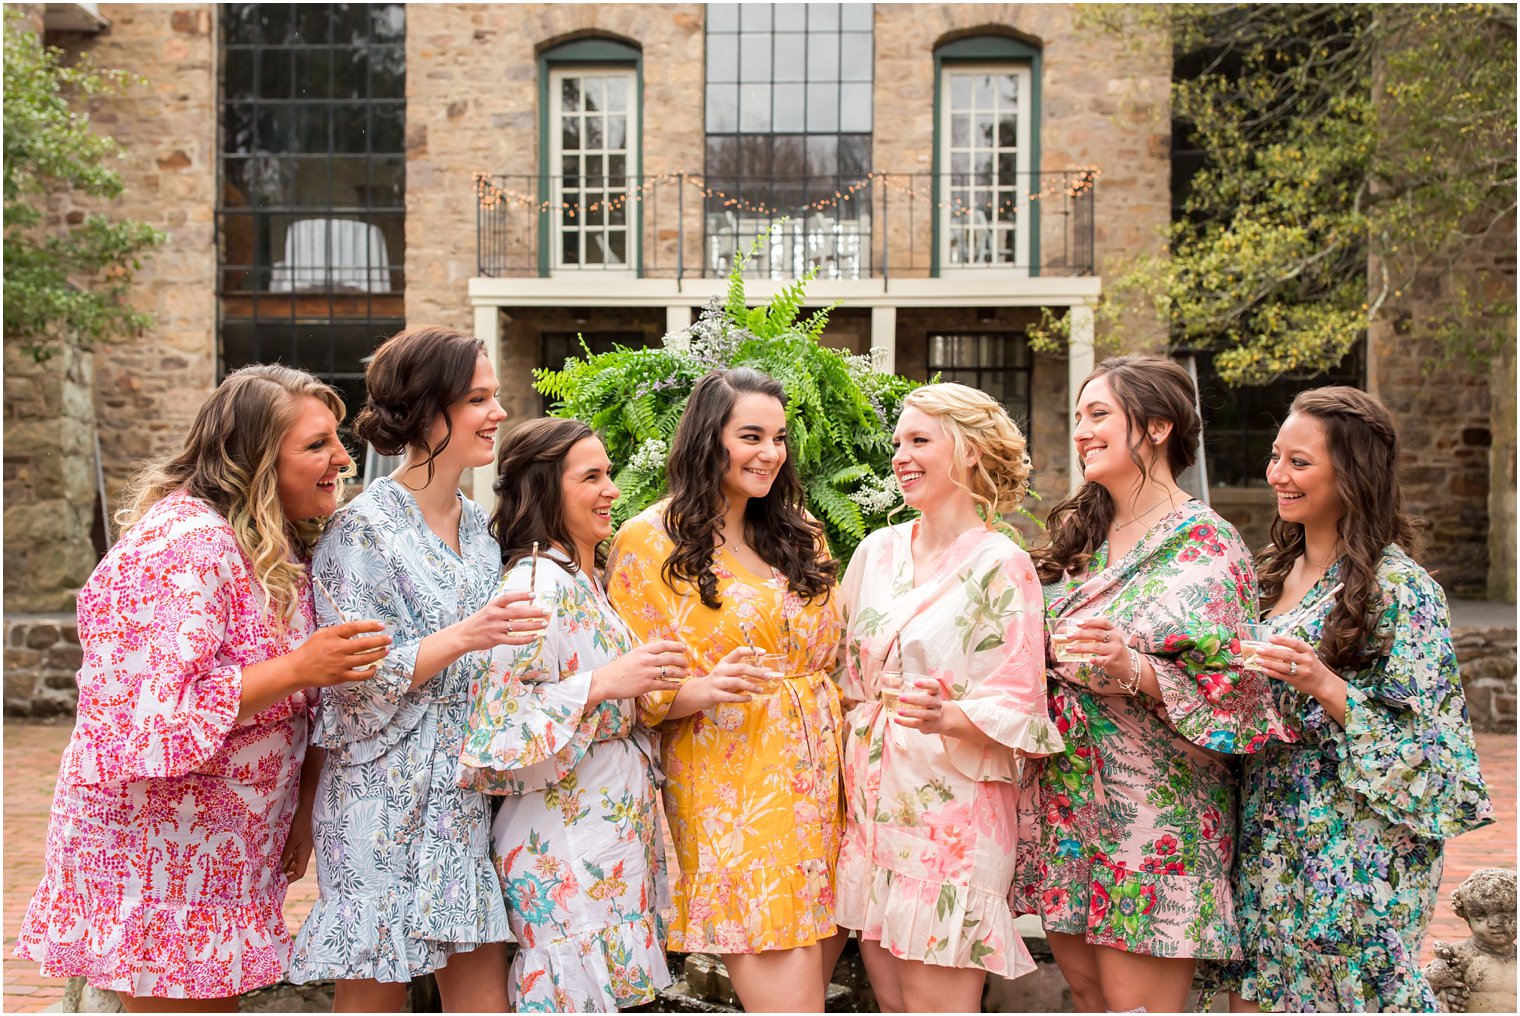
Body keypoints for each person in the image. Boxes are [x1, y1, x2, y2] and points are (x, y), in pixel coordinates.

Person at [15, 365, 391, 1011]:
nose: (341, 458)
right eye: (315, 445)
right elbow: (150, 715)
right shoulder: (185, 548)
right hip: (158, 856)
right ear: (252, 460)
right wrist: (301, 666)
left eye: (336, 439)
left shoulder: (265, 544)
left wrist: (299, 812)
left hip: (216, 855)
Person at [1012, 354, 1292, 1013]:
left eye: (1099, 414)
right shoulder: (1078, 537)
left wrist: (1132, 667)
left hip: (1157, 814)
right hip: (1069, 801)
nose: (1081, 429)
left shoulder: (1207, 542)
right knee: (1085, 993)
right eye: (1077, 416)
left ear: (1158, 427)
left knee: (1138, 1006)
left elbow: (1242, 694)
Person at [288, 326, 546, 1012]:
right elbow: (350, 680)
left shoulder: (478, 531)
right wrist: (466, 636)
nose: (497, 412)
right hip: (378, 804)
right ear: (428, 411)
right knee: (373, 999)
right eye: (478, 399)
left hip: (461, 804)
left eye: (494, 397)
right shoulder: (360, 530)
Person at [1222, 386, 1493, 1012]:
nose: (1277, 476)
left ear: (1354, 473)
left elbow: (1436, 752)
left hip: (1357, 849)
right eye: (1275, 457)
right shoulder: (1265, 575)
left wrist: (1323, 682)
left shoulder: (1404, 591)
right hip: (1266, 830)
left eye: (1299, 462)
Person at [604, 367, 846, 1012]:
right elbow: (635, 690)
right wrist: (704, 688)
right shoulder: (646, 541)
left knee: (811, 983)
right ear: (708, 438)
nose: (770, 453)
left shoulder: (799, 528)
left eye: (779, 437)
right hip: (731, 783)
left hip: (823, 777)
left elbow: (837, 648)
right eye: (751, 436)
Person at [835, 383, 1064, 1013]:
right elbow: (836, 668)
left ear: (966, 451)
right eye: (898, 443)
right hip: (872, 806)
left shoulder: (1003, 563)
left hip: (953, 813)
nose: (901, 456)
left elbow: (1024, 707)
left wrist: (949, 714)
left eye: (919, 441)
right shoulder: (874, 552)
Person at [457, 417, 686, 1012]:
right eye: (591, 476)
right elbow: (497, 724)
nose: (611, 488)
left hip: (610, 824)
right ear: (545, 489)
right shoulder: (535, 584)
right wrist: (605, 682)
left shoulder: (585, 580)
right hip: (561, 833)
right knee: (572, 986)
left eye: (608, 473)